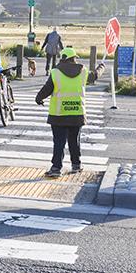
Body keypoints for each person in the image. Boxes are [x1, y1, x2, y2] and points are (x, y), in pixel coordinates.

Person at [35, 47, 105, 177]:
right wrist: (101, 67)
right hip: (76, 113)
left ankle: (56, 169)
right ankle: (76, 165)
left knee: (59, 143)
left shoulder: (55, 72)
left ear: (63, 59)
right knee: (74, 141)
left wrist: (38, 98)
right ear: (73, 58)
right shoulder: (83, 71)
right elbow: (94, 76)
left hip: (58, 114)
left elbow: (47, 89)